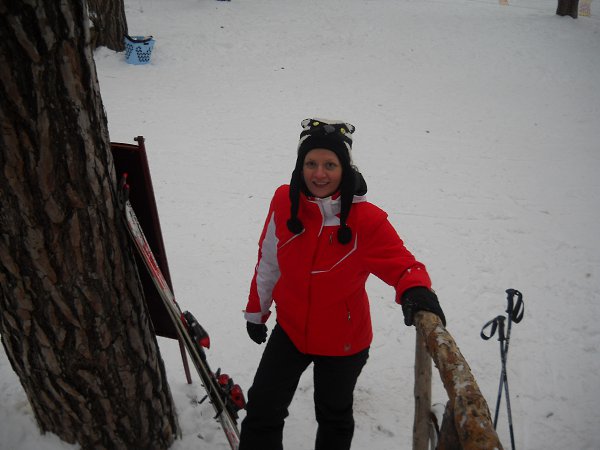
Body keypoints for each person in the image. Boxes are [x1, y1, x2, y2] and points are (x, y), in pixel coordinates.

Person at [239, 118, 446, 450]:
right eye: (311, 163)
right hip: (290, 329)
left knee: (333, 416)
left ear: (344, 168)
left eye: (330, 165)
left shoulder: (366, 220)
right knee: (262, 408)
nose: (319, 174)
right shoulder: (284, 201)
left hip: (344, 342)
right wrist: (256, 311)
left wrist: (416, 290)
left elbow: (403, 265)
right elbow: (269, 260)